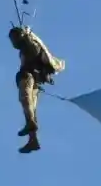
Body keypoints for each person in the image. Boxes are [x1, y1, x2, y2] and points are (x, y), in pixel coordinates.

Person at [8, 25, 65, 153]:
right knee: (31, 107)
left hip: (29, 77)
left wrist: (27, 35)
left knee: (25, 98)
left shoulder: (30, 45)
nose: (13, 42)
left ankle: (30, 124)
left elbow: (35, 55)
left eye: (14, 38)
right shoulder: (28, 46)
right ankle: (33, 139)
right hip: (35, 80)